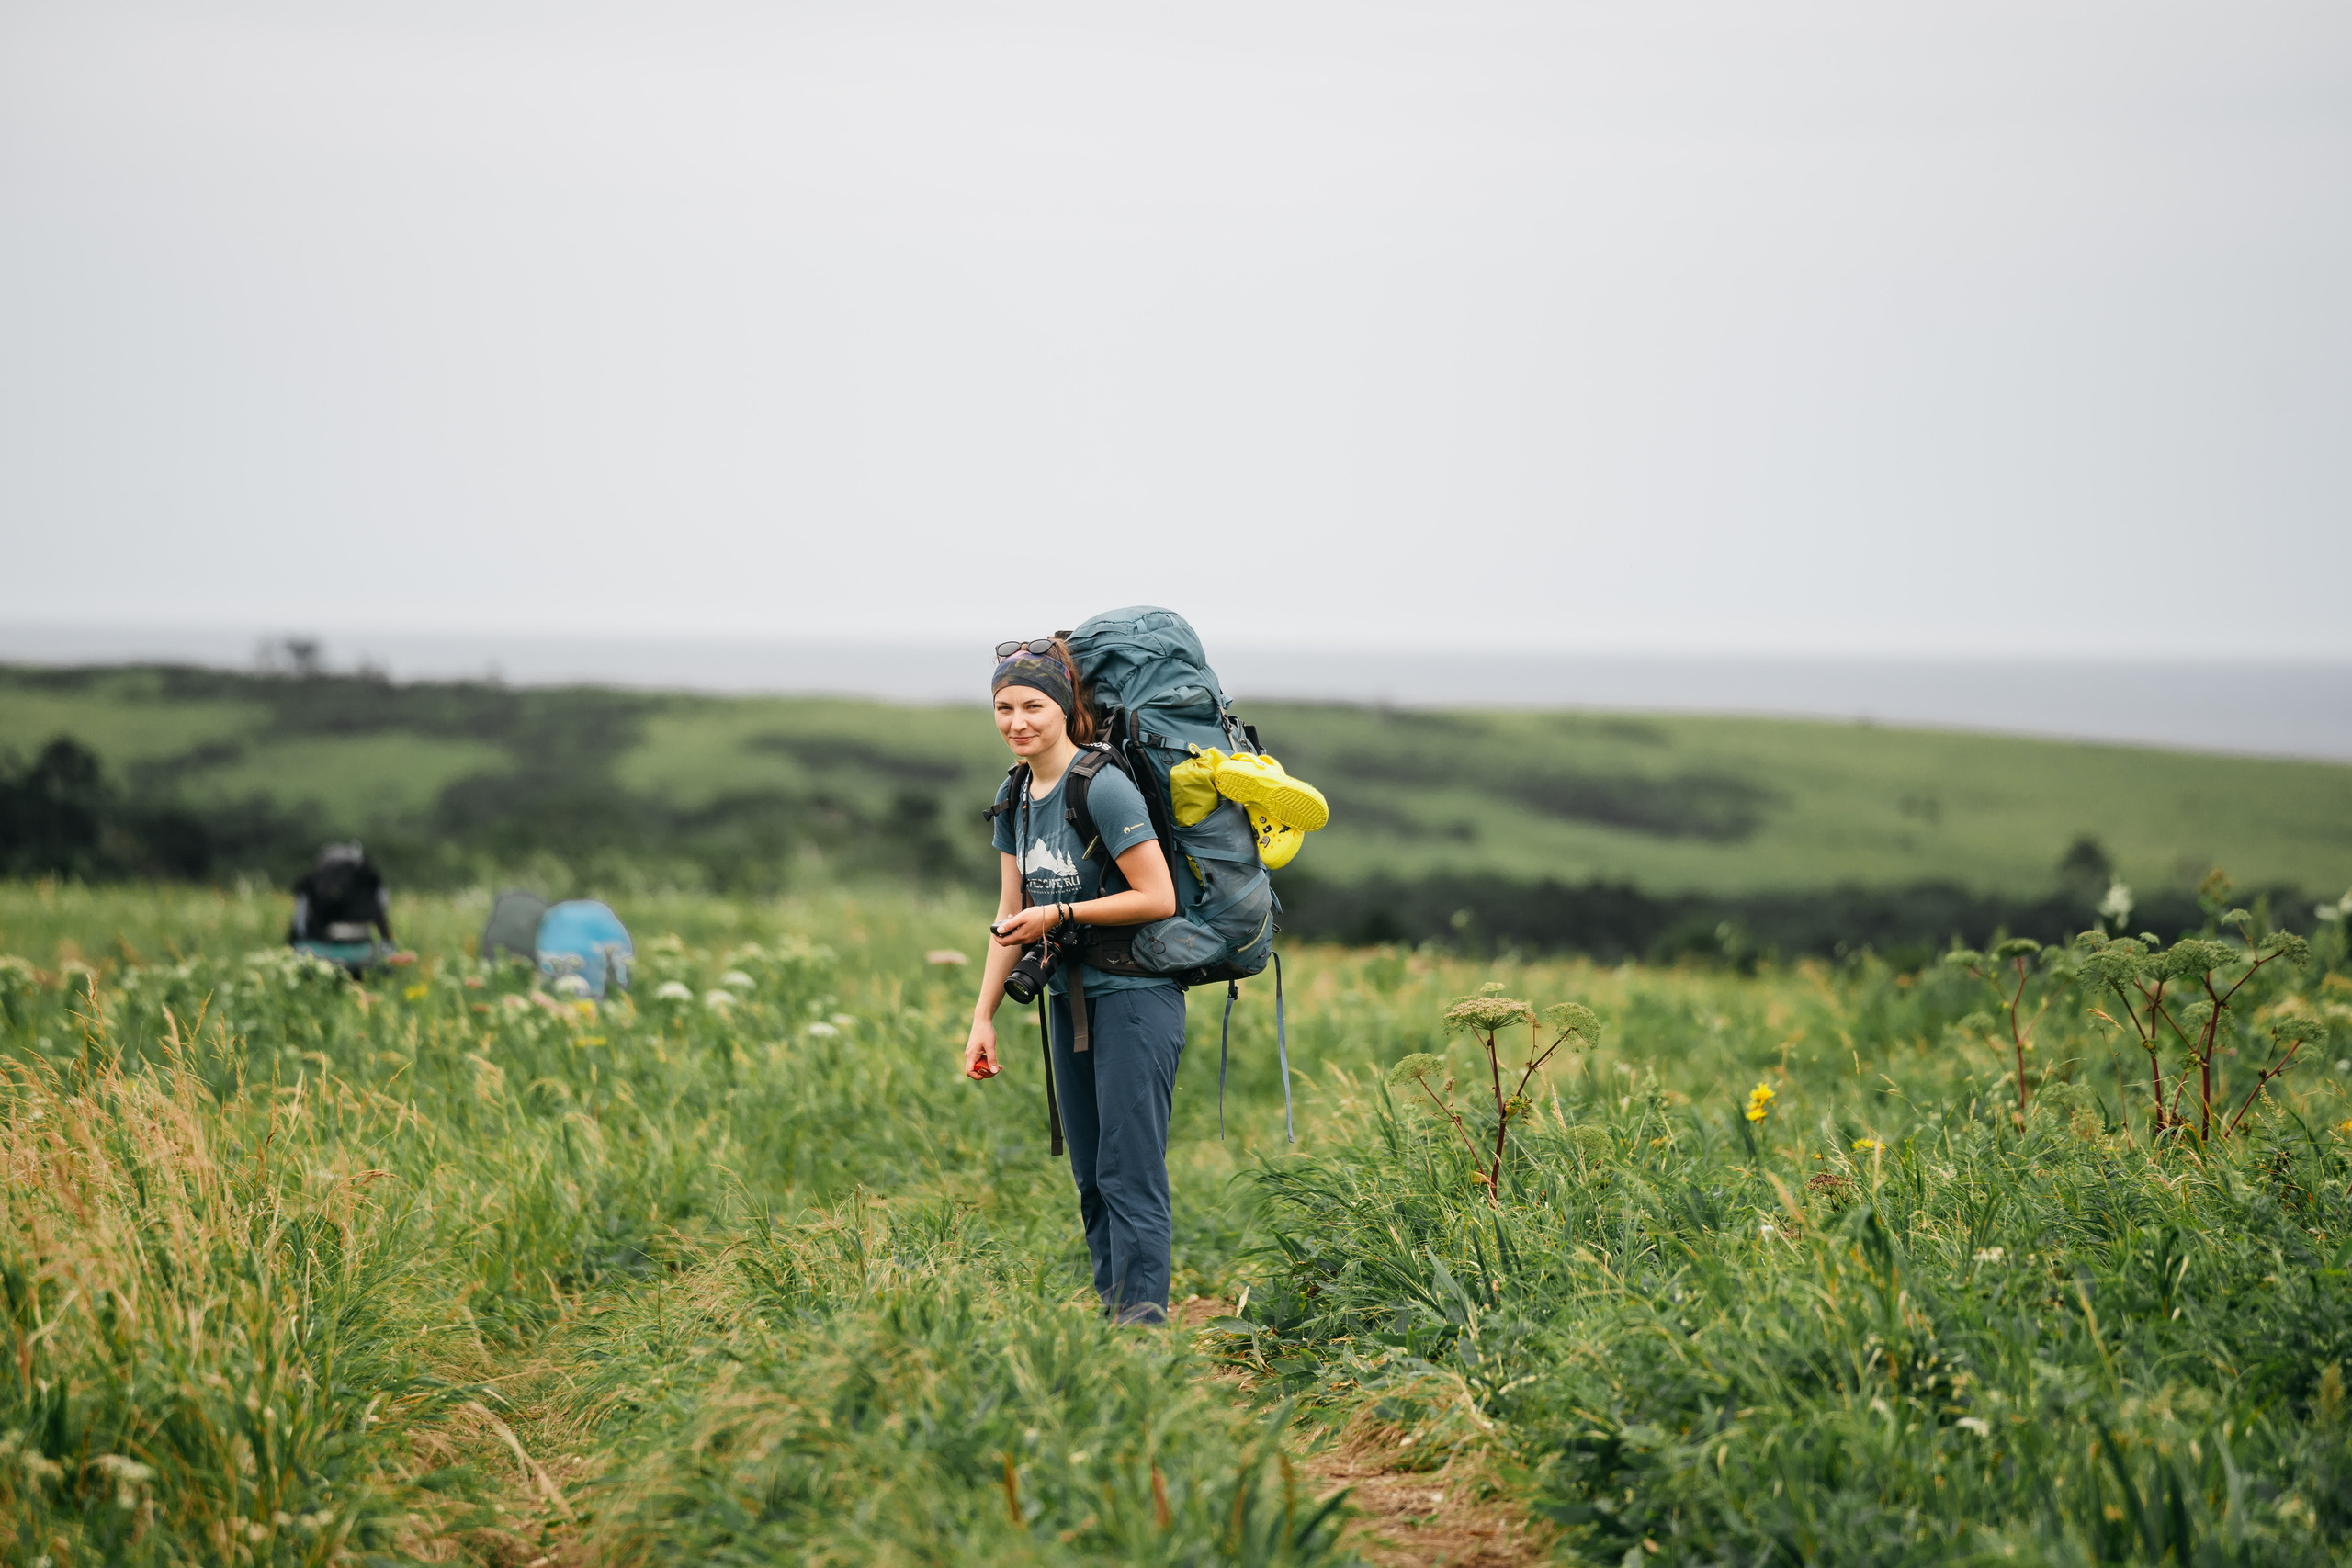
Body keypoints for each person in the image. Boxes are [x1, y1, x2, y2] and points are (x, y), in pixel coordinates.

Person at [966, 637, 1183, 1325]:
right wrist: (983, 1016)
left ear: (1065, 706)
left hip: (1135, 996)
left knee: (1130, 1172)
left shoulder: (1102, 785)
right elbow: (1009, 913)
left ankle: (1140, 1332)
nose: (1017, 720)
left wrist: (1059, 912)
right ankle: (1114, 1316)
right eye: (1004, 707)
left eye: (1033, 704)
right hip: (1067, 999)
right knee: (1090, 1174)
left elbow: (1159, 896)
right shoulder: (1016, 792)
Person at [287, 841, 398, 973]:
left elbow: (300, 926)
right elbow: (383, 914)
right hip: (367, 954)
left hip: (322, 955)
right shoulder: (369, 876)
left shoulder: (310, 880)